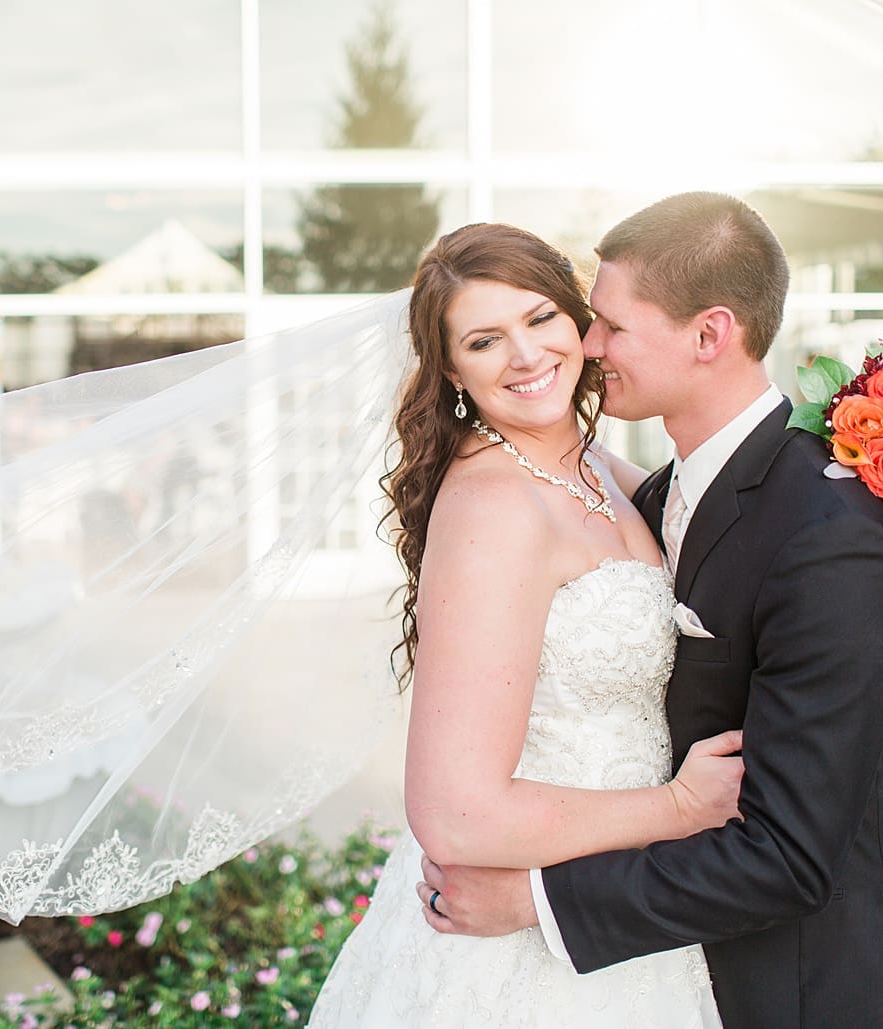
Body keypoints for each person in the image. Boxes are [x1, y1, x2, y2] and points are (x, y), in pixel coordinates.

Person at [416, 194, 883, 1027]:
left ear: (708, 334)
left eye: (608, 325)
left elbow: (792, 855)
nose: (585, 345)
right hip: (655, 970)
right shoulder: (647, 492)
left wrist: (534, 903)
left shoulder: (828, 531)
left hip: (795, 992)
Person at [309, 222, 743, 1026]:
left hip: (612, 910)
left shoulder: (595, 471)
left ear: (582, 322)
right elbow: (454, 810)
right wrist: (679, 810)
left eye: (540, 318)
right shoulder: (493, 504)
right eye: (483, 339)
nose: (525, 355)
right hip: (519, 950)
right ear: (450, 370)